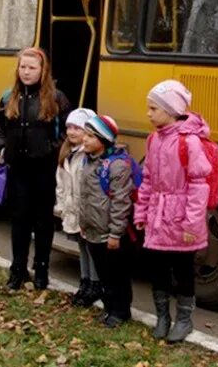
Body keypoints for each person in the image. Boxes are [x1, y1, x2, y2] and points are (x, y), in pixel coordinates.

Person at [133, 80, 212, 343]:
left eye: (154, 108)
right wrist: (141, 213)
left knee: (183, 271)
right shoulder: (154, 139)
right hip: (157, 217)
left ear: (171, 110)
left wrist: (192, 226)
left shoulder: (189, 142)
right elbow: (147, 180)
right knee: (157, 269)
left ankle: (184, 319)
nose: (149, 113)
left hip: (179, 220)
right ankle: (162, 316)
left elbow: (198, 187)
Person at [0, 47, 70, 291]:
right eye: (22, 67)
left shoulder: (56, 98)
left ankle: (42, 269)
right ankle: (18, 269)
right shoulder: (9, 97)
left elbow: (69, 132)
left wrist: (51, 150)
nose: (26, 72)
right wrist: (2, 147)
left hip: (44, 170)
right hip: (18, 169)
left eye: (31, 68)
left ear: (42, 70)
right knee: (19, 220)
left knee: (43, 220)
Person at [79, 115, 135, 328]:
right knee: (103, 274)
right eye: (85, 134)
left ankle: (121, 311)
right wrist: (84, 224)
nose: (84, 139)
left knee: (117, 274)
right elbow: (84, 197)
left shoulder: (116, 166)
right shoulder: (88, 160)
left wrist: (115, 233)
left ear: (103, 140)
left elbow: (121, 203)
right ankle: (109, 307)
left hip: (110, 234)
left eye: (90, 136)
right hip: (93, 229)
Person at [54, 107, 103, 307]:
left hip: (87, 212)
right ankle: (84, 281)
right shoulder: (66, 154)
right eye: (69, 127)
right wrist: (62, 208)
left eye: (78, 128)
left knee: (91, 248)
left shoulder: (88, 156)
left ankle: (95, 284)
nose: (72, 132)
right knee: (82, 247)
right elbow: (61, 184)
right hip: (73, 211)